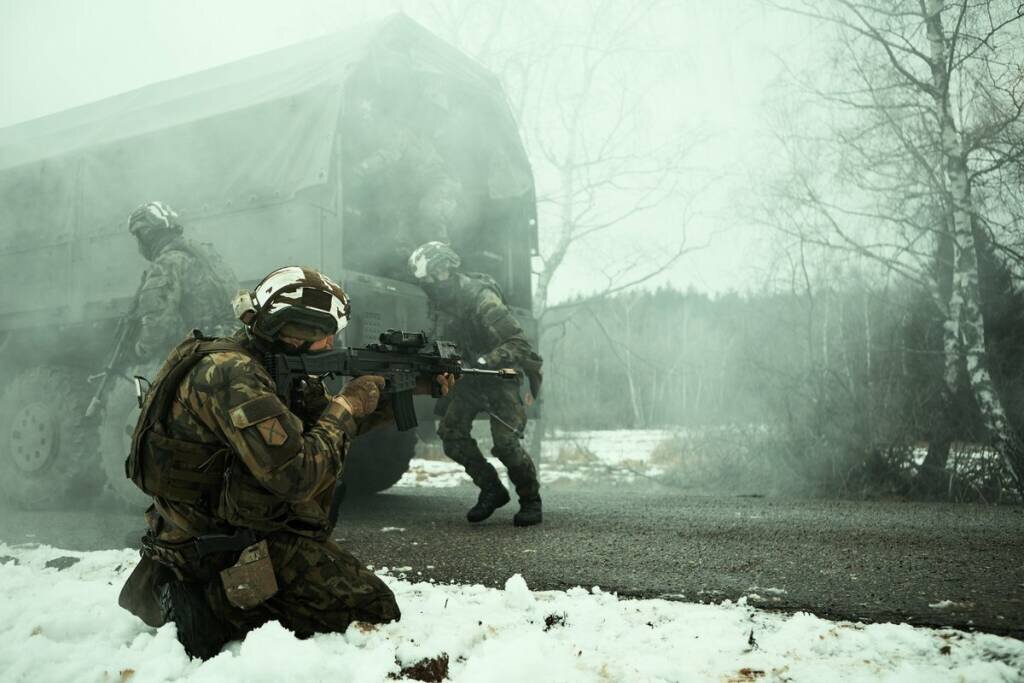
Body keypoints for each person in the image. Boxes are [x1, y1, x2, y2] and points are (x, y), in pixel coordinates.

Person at [117, 265, 453, 659]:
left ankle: (226, 585)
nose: (331, 341)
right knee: (374, 607)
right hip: (219, 540)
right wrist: (347, 404)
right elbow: (297, 475)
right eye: (323, 332)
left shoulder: (255, 361)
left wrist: (411, 389)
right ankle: (210, 602)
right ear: (292, 329)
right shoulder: (234, 377)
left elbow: (322, 424)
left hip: (213, 521)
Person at [408, 242, 544, 526]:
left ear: (446, 268)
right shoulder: (441, 301)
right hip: (469, 380)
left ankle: (531, 500)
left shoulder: (480, 297)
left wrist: (482, 363)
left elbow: (518, 343)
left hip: (500, 377)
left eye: (432, 278)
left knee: (506, 445)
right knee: (451, 435)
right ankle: (492, 490)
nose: (430, 285)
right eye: (425, 281)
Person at [128, 200, 239, 360]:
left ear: (148, 234)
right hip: (235, 338)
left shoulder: (166, 264)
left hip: (205, 349)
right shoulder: (204, 252)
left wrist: (142, 348)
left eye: (138, 238)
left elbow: (158, 322)